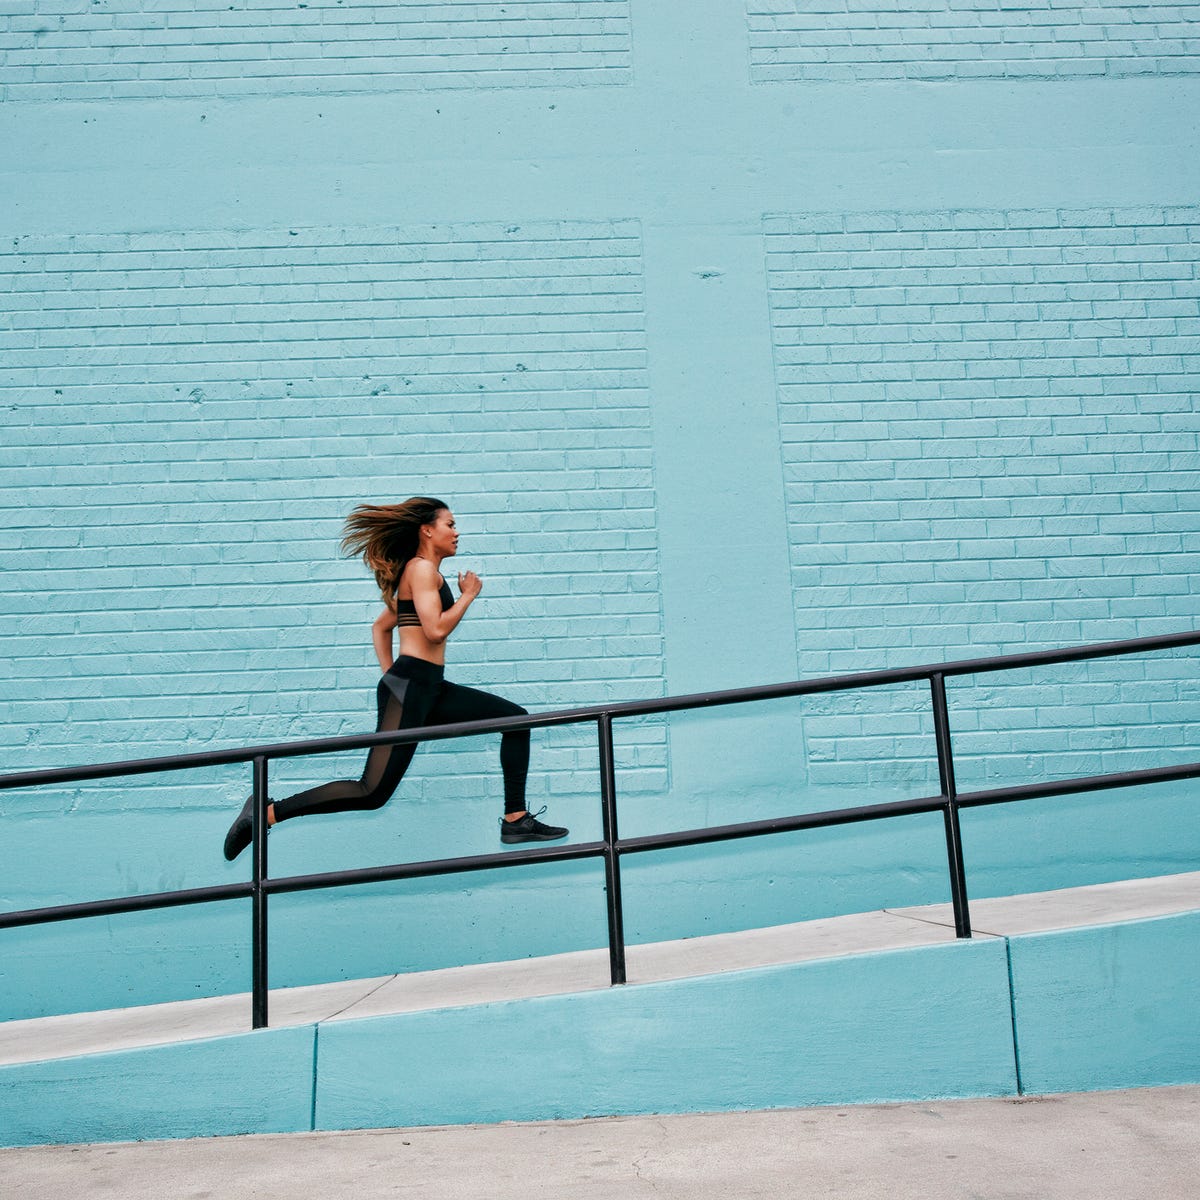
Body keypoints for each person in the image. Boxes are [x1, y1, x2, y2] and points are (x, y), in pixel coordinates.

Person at [222, 497, 568, 860]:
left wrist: (392, 673)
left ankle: (515, 818)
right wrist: (467, 597)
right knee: (371, 792)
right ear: (427, 530)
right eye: (450, 524)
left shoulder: (424, 575)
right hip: (412, 686)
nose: (456, 531)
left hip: (425, 687)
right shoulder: (419, 570)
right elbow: (434, 631)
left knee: (516, 719)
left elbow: (382, 626)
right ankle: (266, 814)